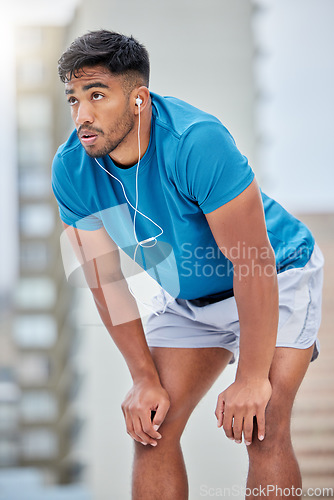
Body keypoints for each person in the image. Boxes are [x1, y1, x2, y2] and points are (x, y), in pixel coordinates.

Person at [52, 30, 324, 499]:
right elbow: (108, 282)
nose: (83, 115)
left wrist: (252, 378)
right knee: (153, 431)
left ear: (138, 99)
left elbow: (253, 264)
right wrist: (142, 378)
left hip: (275, 275)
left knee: (263, 426)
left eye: (97, 95)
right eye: (74, 98)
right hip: (187, 297)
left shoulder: (196, 141)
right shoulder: (72, 168)